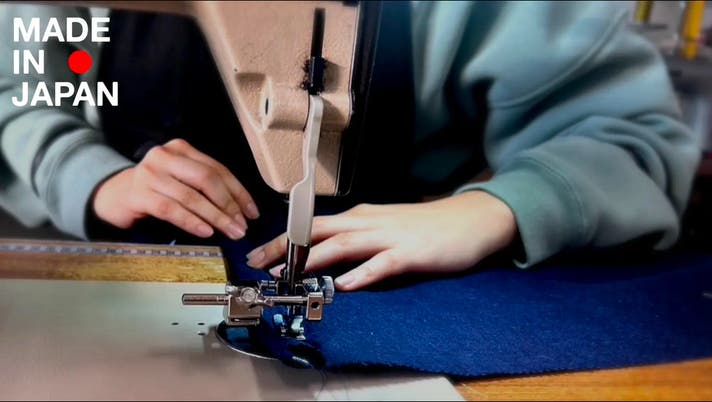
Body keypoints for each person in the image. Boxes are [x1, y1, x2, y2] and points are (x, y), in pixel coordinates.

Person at [0, 2, 700, 291]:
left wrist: (493, 209)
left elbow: (633, 138)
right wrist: (83, 172)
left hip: (407, 282)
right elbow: (15, 89)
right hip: (127, 263)